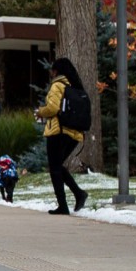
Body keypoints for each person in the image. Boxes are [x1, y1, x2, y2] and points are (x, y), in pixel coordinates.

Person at [35, 58, 89, 215]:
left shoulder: (57, 85)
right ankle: (78, 194)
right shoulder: (74, 86)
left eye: (52, 70)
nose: (51, 73)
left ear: (56, 71)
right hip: (74, 133)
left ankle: (64, 205)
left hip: (57, 132)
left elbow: (52, 108)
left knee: (55, 168)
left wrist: (40, 111)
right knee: (57, 166)